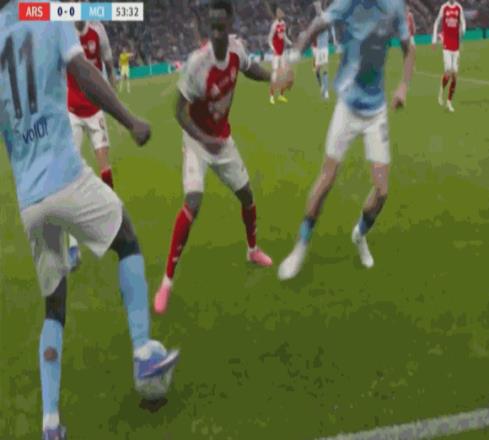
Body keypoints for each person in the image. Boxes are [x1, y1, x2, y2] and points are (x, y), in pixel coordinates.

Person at [0, 4, 179, 438]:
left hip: (29, 199)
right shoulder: (48, 14)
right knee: (127, 238)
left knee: (54, 305)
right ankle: (143, 351)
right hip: (64, 175)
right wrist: (129, 120)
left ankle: (50, 424)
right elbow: (82, 71)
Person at [153, 0, 293, 314]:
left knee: (247, 195)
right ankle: (167, 282)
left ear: (230, 25)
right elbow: (178, 110)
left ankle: (252, 250)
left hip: (222, 140)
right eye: (212, 27)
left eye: (221, 26)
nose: (217, 32)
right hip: (197, 141)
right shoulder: (197, 65)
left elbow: (249, 68)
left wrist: (272, 77)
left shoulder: (236, 50)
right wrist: (204, 139)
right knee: (193, 201)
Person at [278, 0, 415, 280]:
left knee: (382, 191)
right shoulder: (349, 3)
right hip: (347, 108)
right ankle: (300, 246)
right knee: (326, 179)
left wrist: (403, 85)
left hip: (376, 112)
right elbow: (315, 27)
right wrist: (291, 61)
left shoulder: (394, 6)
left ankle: (359, 235)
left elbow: (408, 48)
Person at [67, 20, 117, 270]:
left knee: (104, 168)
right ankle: (72, 244)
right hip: (72, 111)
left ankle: (111, 223)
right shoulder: (63, 28)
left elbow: (108, 63)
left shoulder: (98, 30)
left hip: (95, 108)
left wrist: (113, 96)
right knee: (68, 175)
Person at [433, 0, 466, 113]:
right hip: (446, 44)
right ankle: (441, 90)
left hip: (456, 45)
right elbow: (436, 22)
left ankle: (449, 102)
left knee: (455, 74)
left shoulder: (458, 8)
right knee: (448, 70)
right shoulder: (444, 7)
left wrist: (463, 31)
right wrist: (434, 40)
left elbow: (463, 21)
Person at [268, 4, 292, 104]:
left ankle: (281, 95)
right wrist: (273, 49)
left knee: (283, 75)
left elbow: (284, 35)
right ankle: (271, 96)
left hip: (282, 53)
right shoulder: (274, 25)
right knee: (274, 76)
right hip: (276, 54)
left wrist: (290, 42)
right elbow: (269, 39)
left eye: (281, 12)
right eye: (279, 12)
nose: (281, 14)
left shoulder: (283, 23)